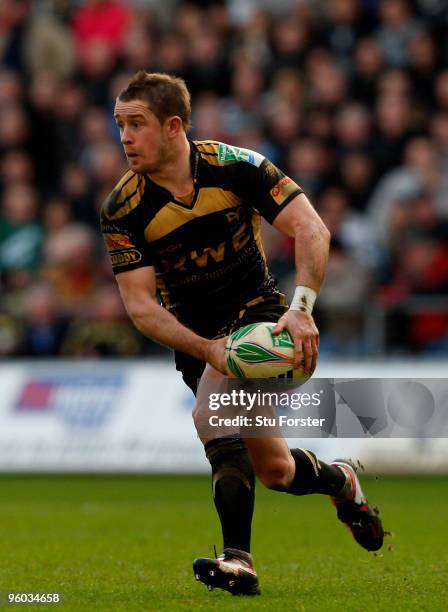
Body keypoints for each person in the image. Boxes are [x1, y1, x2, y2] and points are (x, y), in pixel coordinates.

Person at [100, 71, 384, 596]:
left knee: (212, 417)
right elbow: (140, 308)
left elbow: (312, 229)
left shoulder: (237, 167)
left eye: (136, 124)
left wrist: (302, 309)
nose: (125, 137)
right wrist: (210, 349)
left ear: (173, 126)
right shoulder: (124, 208)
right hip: (197, 340)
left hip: (264, 321)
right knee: (275, 470)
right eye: (120, 125)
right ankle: (341, 481)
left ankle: (238, 560)